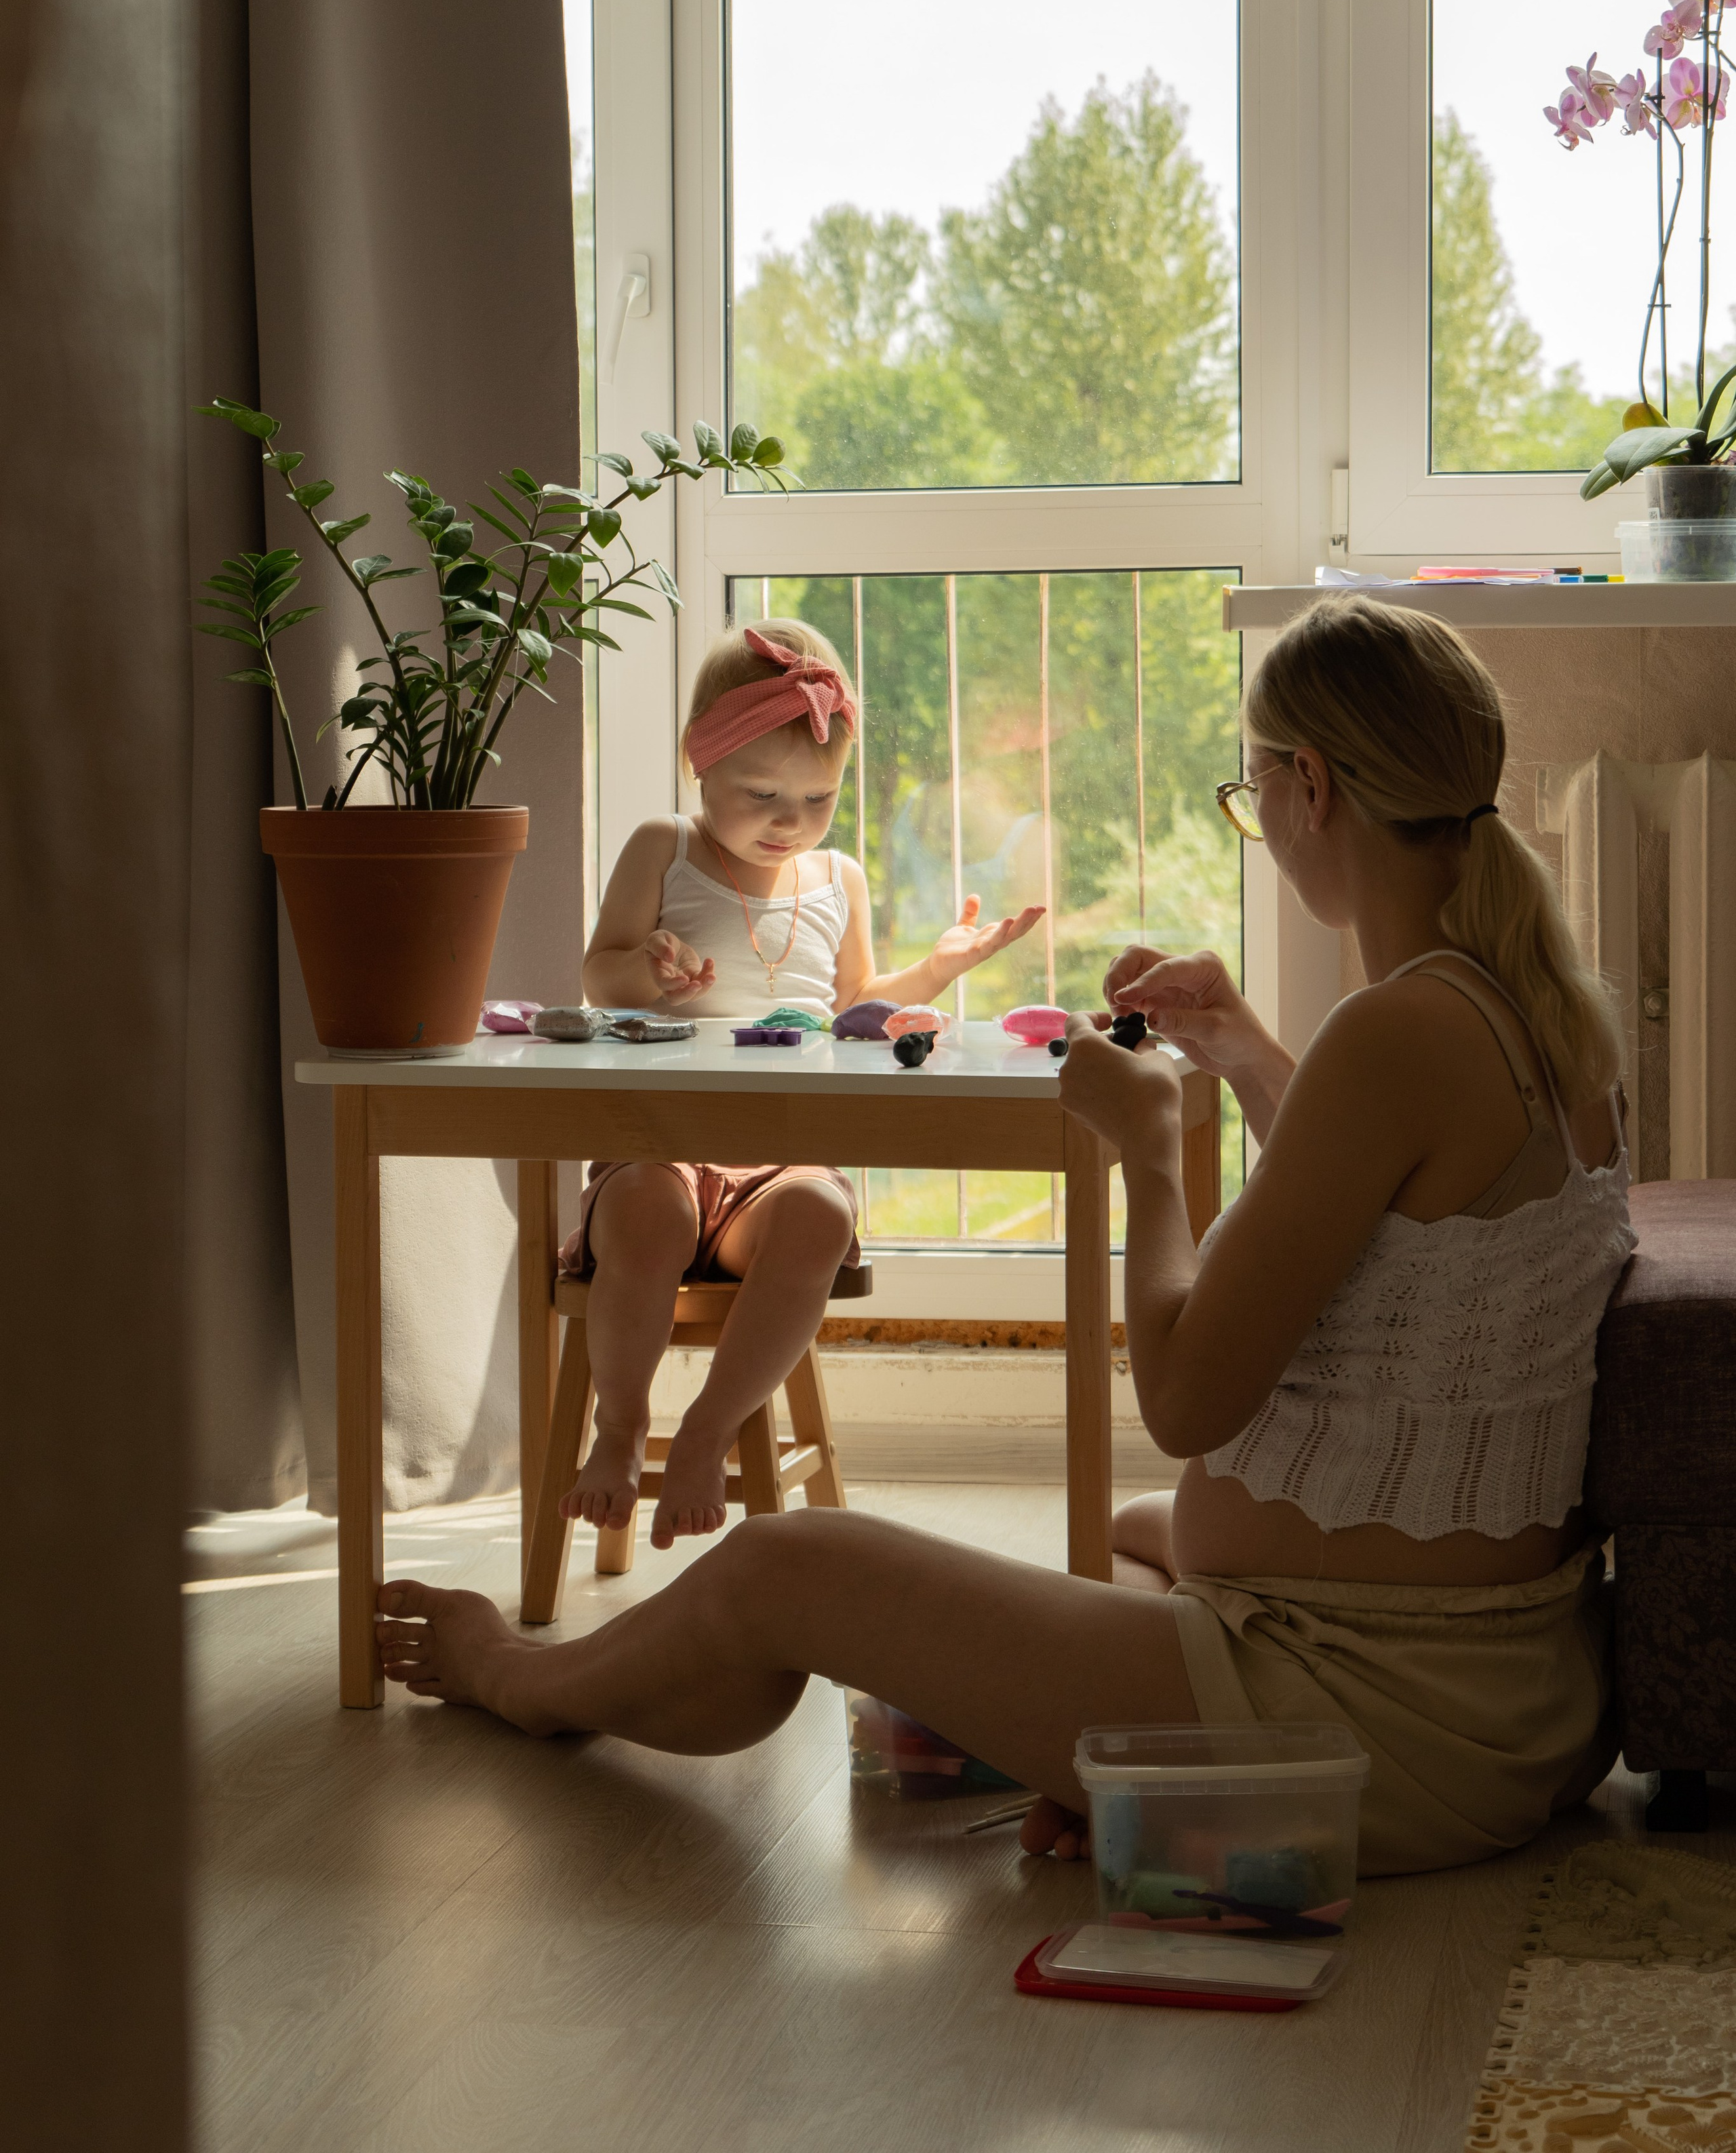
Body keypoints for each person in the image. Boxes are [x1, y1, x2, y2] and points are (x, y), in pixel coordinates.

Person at [376, 597, 1633, 1878]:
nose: (1258, 831)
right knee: (1156, 1528)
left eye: (1249, 797)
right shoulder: (1537, 1006)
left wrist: (1151, 1158)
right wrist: (1250, 1053)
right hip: (1520, 1694)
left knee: (787, 1564)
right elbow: (1400, 1219)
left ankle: (523, 1680)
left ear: (1309, 785)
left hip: (1358, 1716)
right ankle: (1082, 1752)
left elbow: (1193, 1394)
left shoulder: (1395, 1034)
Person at [555, 618, 1042, 1550]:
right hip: (658, 1149)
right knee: (651, 1217)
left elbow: (858, 1004)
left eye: (817, 798)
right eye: (762, 792)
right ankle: (620, 1428)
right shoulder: (668, 846)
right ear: (701, 767)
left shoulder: (837, 877)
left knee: (821, 1216)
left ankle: (708, 1432)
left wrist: (937, 970)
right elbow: (598, 972)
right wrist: (650, 974)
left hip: (774, 1168)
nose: (789, 820)